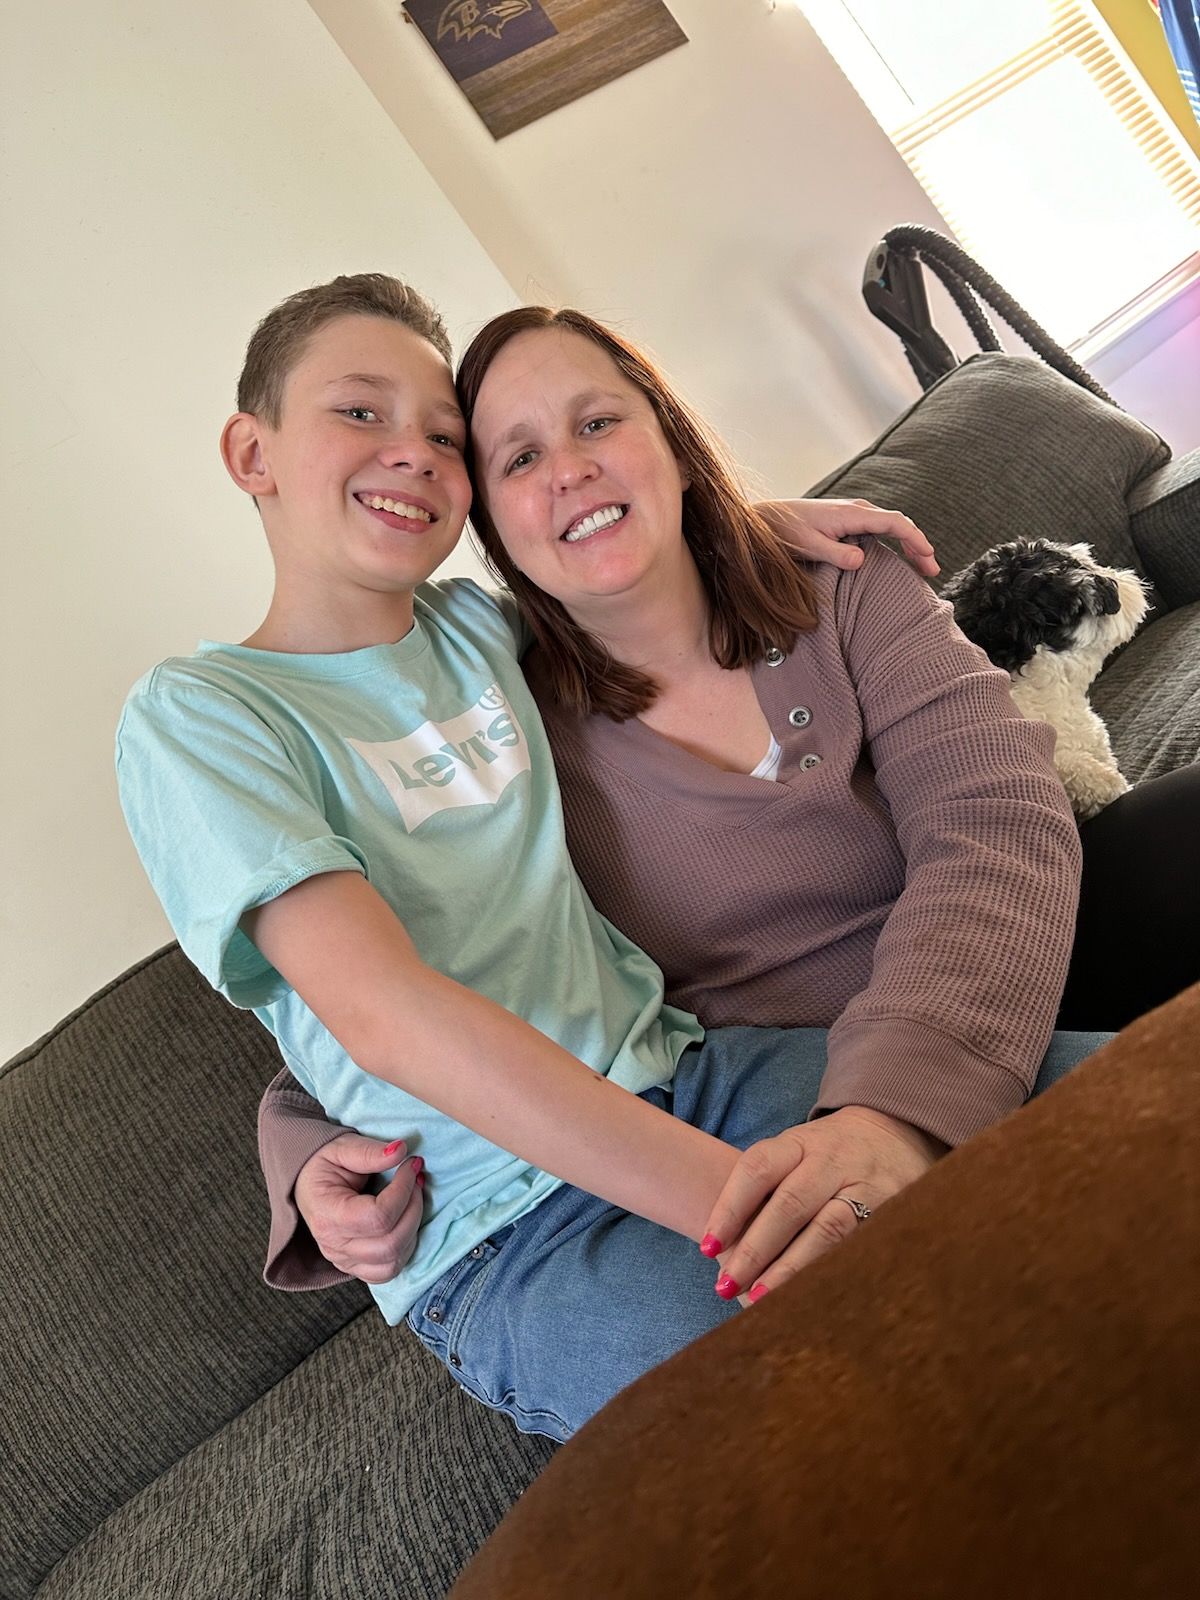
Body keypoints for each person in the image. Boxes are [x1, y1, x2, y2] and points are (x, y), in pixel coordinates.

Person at [117, 275, 1106, 1445]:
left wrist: (744, 519)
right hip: (505, 1221)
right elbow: (378, 1018)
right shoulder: (203, 713)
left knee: (1129, 1133)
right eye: (359, 412)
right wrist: (752, 1206)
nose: (414, 453)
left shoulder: (485, 638)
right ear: (252, 450)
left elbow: (614, 551)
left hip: (704, 1075)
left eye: (443, 434)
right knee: (851, 1404)